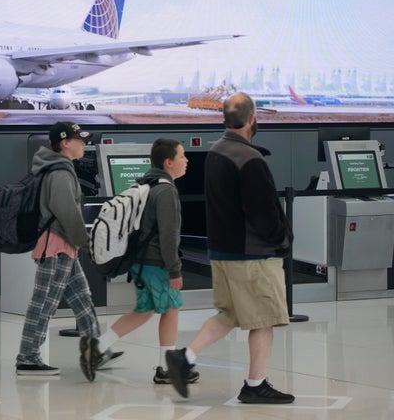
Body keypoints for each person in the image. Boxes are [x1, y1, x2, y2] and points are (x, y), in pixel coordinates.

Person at [165, 92, 295, 404]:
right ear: (253, 119)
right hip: (252, 254)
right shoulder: (249, 158)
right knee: (263, 320)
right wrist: (283, 240)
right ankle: (255, 384)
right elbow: (263, 211)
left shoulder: (217, 152)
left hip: (222, 251)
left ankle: (185, 357)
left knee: (229, 313)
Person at [81, 138, 201, 385]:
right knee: (170, 309)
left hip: (142, 260)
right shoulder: (166, 191)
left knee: (145, 310)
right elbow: (168, 235)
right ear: (169, 162)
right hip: (156, 263)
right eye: (182, 156)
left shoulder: (148, 183)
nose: (186, 160)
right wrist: (175, 270)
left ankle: (98, 346)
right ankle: (166, 368)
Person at [16, 121, 122, 379]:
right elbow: (67, 214)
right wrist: (87, 243)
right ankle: (27, 358)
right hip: (56, 246)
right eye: (80, 140)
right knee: (44, 302)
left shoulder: (58, 168)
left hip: (63, 245)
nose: (84, 144)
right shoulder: (60, 173)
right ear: (65, 143)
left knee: (81, 297)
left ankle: (96, 350)